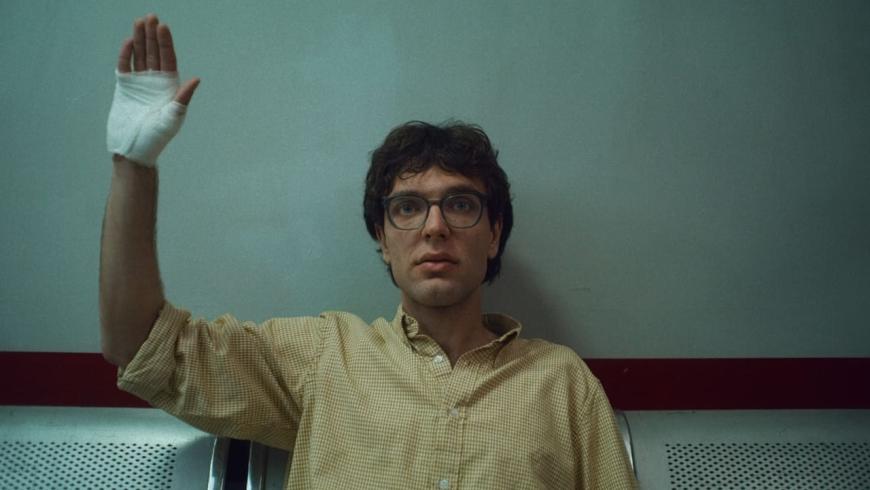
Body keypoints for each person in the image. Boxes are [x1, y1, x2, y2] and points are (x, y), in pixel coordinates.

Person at [100, 14, 638, 490]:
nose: (435, 227)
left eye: (460, 204)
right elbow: (140, 344)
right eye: (408, 207)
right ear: (382, 238)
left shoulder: (561, 383)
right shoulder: (324, 358)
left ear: (494, 234)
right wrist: (133, 165)